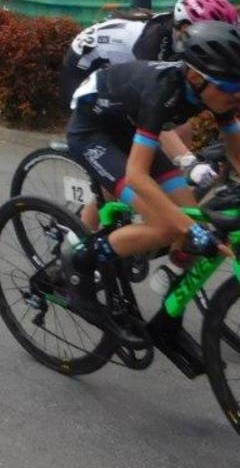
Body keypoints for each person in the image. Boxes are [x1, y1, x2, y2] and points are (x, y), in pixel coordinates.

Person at [60, 22, 240, 321]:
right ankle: (81, 261)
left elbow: (237, 152)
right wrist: (189, 229)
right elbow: (137, 176)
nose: (238, 95)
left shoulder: (217, 93)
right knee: (169, 226)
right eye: (232, 88)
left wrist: (192, 227)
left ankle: (169, 293)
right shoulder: (163, 91)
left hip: (127, 128)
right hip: (93, 133)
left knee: (193, 215)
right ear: (196, 77)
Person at [58, 0, 238, 106]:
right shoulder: (155, 40)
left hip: (113, 62)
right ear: (184, 27)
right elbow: (151, 93)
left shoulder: (175, 31)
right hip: (82, 68)